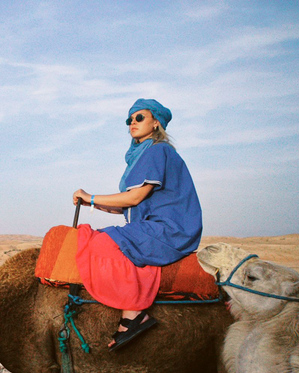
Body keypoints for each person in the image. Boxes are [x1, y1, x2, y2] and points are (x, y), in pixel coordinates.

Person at [72, 98, 202, 351]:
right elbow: (128, 206)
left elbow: (134, 197)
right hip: (155, 224)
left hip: (169, 227)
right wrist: (90, 203)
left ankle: (133, 315)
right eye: (129, 119)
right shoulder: (144, 154)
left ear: (156, 122)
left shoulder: (157, 150)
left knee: (101, 243)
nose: (132, 122)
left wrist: (91, 197)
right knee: (100, 237)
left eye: (139, 117)